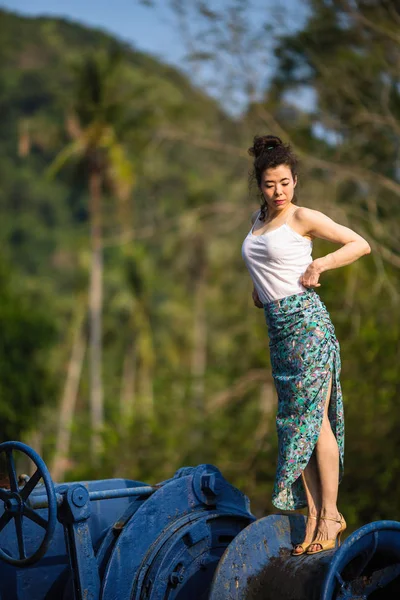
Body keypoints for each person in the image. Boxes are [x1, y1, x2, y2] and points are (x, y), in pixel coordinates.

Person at [241, 135, 371, 555]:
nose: (278, 192)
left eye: (284, 183)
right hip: (278, 332)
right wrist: (258, 291)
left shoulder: (302, 217)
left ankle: (330, 515)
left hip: (308, 327)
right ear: (259, 186)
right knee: (298, 428)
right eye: (269, 184)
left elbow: (359, 243)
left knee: (316, 425)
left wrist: (321, 263)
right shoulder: (258, 221)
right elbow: (264, 264)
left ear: (295, 180)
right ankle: (314, 521)